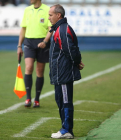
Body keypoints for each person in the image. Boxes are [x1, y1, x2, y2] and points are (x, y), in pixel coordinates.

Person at [48, 4, 84, 139]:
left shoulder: (63, 29)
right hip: (59, 72)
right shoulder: (58, 29)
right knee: (60, 100)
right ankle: (65, 128)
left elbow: (70, 50)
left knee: (65, 101)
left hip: (63, 72)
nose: (49, 18)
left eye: (51, 15)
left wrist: (76, 62)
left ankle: (67, 130)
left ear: (59, 15)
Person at [17, 0, 52, 108]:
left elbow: (51, 29)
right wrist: (19, 46)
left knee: (39, 71)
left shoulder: (47, 10)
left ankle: (37, 99)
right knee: (29, 67)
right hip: (28, 42)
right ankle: (28, 98)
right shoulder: (27, 10)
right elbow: (23, 28)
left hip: (43, 42)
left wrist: (45, 41)